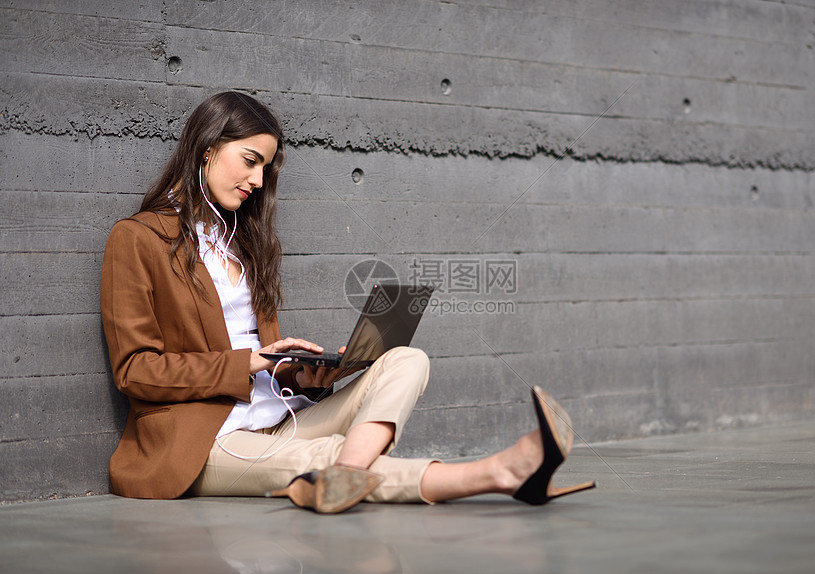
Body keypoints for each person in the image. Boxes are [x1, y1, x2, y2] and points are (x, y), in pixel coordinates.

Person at [100, 91, 594, 513]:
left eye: (264, 170)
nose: (256, 182)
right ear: (207, 147)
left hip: (279, 418)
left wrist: (297, 374)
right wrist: (249, 363)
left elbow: (258, 359)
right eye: (250, 161)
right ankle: (501, 472)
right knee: (329, 455)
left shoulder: (242, 246)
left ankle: (342, 479)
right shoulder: (138, 238)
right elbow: (136, 371)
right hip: (202, 443)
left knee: (406, 360)